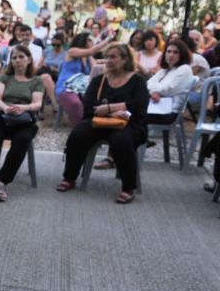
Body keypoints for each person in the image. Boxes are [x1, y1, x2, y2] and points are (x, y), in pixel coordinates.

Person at [57, 43, 148, 204]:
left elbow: (140, 106)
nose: (109, 60)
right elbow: (89, 104)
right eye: (107, 57)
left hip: (128, 123)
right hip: (99, 121)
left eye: (113, 57)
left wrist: (108, 108)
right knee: (78, 134)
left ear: (125, 59)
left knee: (121, 141)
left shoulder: (137, 81)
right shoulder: (99, 80)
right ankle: (69, 177)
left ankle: (128, 187)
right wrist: (113, 110)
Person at [0, 46, 43, 202]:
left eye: (21, 57)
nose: (17, 60)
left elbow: (37, 104)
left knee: (22, 140)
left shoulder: (36, 80)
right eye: (14, 57)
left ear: (29, 59)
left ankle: (1, 182)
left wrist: (23, 108)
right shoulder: (5, 76)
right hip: (3, 116)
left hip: (25, 119)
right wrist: (6, 108)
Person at [55, 32, 114, 126]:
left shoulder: (88, 58)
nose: (92, 42)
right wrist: (108, 39)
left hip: (82, 87)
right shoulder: (72, 51)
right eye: (89, 40)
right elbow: (91, 51)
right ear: (83, 41)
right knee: (75, 104)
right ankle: (81, 127)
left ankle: (92, 125)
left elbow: (96, 68)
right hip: (65, 86)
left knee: (98, 101)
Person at [145, 38, 195, 127]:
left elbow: (167, 90)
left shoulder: (185, 69)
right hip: (154, 107)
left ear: (182, 54)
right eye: (169, 51)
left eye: (176, 52)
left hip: (169, 112)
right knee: (126, 112)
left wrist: (153, 91)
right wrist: (153, 92)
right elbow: (147, 85)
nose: (171, 55)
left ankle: (136, 139)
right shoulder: (164, 71)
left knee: (131, 115)